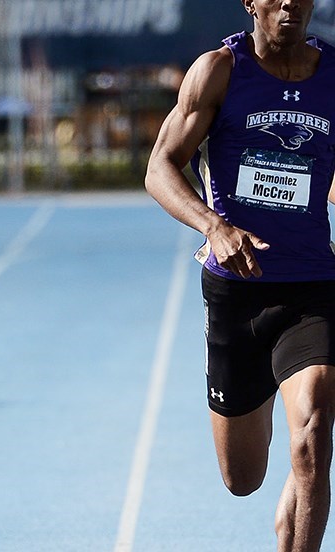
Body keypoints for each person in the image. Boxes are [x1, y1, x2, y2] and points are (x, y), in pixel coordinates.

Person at [146, 1, 335, 550]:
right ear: (251, 1)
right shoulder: (219, 70)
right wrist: (213, 227)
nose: (290, 4)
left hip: (313, 284)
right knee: (242, 479)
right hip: (237, 292)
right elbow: (160, 166)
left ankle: (305, 486)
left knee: (315, 430)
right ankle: (298, 486)